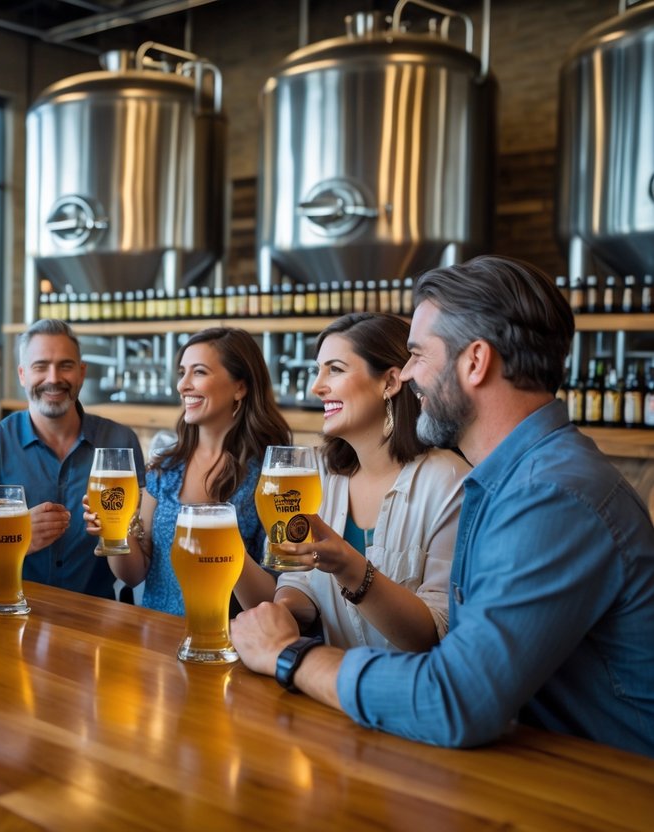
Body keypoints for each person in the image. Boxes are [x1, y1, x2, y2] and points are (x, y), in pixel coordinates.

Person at [231, 255, 654, 758]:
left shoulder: (552, 495)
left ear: (475, 362)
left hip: (604, 785)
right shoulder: (510, 479)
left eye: (417, 354)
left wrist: (289, 656)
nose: (408, 374)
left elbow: (454, 698)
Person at [258, 313, 470, 650]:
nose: (316, 387)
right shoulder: (319, 474)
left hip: (404, 683)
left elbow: (435, 633)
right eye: (318, 370)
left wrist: (351, 568)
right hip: (325, 679)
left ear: (390, 382)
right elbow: (301, 579)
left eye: (335, 370)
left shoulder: (450, 482)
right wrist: (283, 610)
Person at [87, 327, 292, 614]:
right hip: (156, 632)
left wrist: (226, 544)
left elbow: (272, 600)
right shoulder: (165, 468)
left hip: (230, 635)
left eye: (199, 372)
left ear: (240, 387)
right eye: (182, 373)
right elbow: (134, 574)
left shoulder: (270, 479)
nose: (183, 385)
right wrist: (114, 529)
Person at [0, 319, 145, 599]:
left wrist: (112, 531)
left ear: (82, 372)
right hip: (13, 607)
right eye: (41, 366)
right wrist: (16, 538)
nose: (53, 378)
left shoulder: (120, 442)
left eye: (65, 365)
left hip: (94, 614)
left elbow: (134, 576)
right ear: (22, 374)